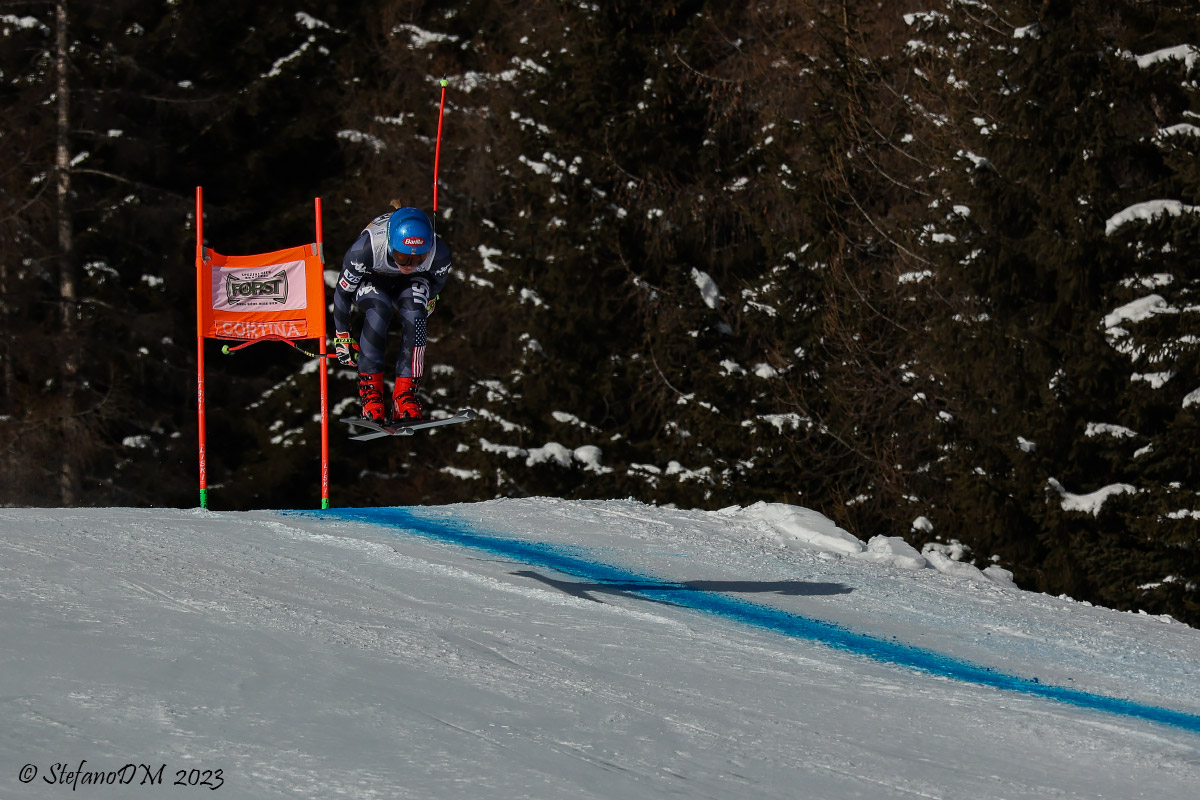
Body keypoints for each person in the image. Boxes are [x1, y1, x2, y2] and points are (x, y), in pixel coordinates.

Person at [332, 203, 452, 423]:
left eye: (418, 259)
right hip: (372, 277)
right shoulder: (364, 249)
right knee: (379, 309)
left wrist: (429, 299)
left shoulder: (439, 253)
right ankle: (371, 393)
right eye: (402, 256)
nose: (409, 264)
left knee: (416, 316)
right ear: (389, 244)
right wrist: (342, 335)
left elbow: (436, 284)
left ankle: (405, 394)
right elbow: (342, 292)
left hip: (411, 283)